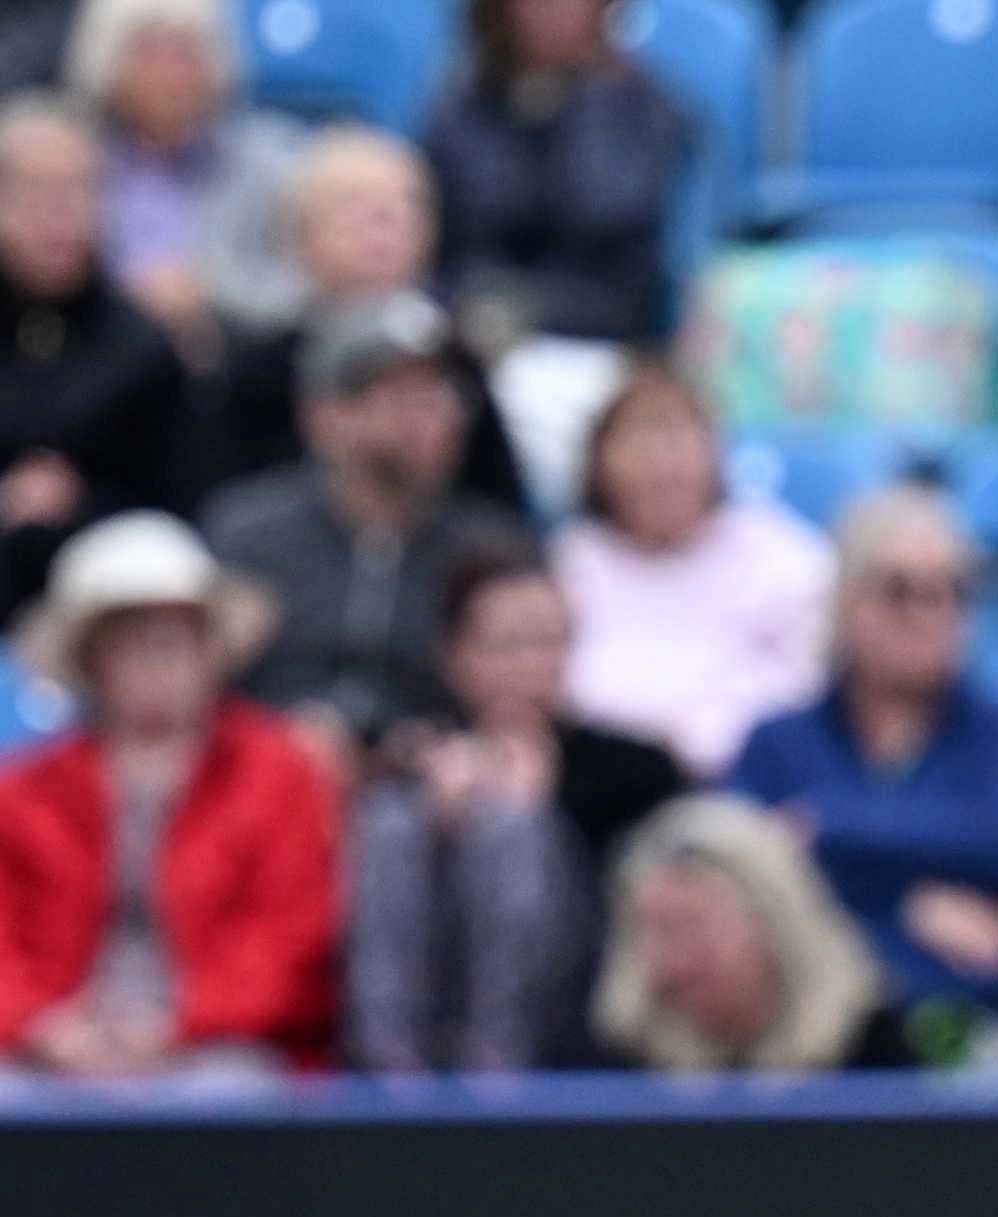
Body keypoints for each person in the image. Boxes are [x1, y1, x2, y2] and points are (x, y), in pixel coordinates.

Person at [0, 511, 336, 1076]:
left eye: (178, 642)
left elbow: (292, 942)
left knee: (230, 1097)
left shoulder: (279, 772)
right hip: (54, 1046)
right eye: (135, 644)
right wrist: (44, 1026)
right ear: (92, 662)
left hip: (221, 1042)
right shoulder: (24, 790)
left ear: (213, 651)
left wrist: (180, 1025)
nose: (161, 663)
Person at [725, 486, 998, 1032]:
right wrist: (906, 910)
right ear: (844, 604)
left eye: (952, 590)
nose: (928, 612)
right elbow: (742, 886)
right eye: (898, 589)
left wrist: (827, 827)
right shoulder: (775, 745)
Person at [346, 541, 685, 1072]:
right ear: (453, 656)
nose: (530, 665)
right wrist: (438, 818)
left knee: (512, 830)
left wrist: (549, 802)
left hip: (575, 1010)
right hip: (434, 998)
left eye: (548, 642)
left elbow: (657, 885)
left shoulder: (631, 767)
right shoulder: (412, 754)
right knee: (391, 822)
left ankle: (497, 1076)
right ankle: (390, 1071)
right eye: (505, 646)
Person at [202, 289, 530, 761]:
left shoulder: (490, 549)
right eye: (403, 394)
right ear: (325, 414)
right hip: (265, 775)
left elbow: (522, 705)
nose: (437, 415)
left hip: (433, 792)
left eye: (445, 393)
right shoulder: (246, 533)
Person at [213, 125, 530, 507]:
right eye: (352, 205)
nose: (384, 223)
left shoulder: (457, 360)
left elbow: (499, 508)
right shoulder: (259, 371)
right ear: (300, 235)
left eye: (406, 205)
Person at [552, 361, 835, 777]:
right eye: (642, 439)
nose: (662, 465)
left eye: (679, 438)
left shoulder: (785, 555)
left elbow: (811, 687)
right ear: (599, 460)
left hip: (747, 785)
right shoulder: (569, 560)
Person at [0, 91, 196, 626]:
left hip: (106, 617)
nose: (58, 216)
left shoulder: (144, 347)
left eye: (77, 191)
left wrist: (80, 503)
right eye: (35, 193)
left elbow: (179, 506)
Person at [421, 0, 691, 350]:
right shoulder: (462, 108)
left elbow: (604, 213)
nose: (555, 11)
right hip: (480, 337)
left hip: (606, 341)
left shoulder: (641, 108)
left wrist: (589, 99)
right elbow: (457, 237)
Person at [590, 792, 919, 1074]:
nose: (677, 960)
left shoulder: (875, 1050)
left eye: (694, 927)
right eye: (657, 931)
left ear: (774, 925)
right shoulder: (622, 1056)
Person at [63, 0, 307, 358]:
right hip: (92, 360)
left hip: (238, 362)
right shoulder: (68, 159)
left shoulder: (275, 164)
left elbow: (304, 286)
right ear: (108, 62)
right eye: (150, 56)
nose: (173, 77)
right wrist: (127, 302)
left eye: (187, 55)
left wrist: (210, 295)